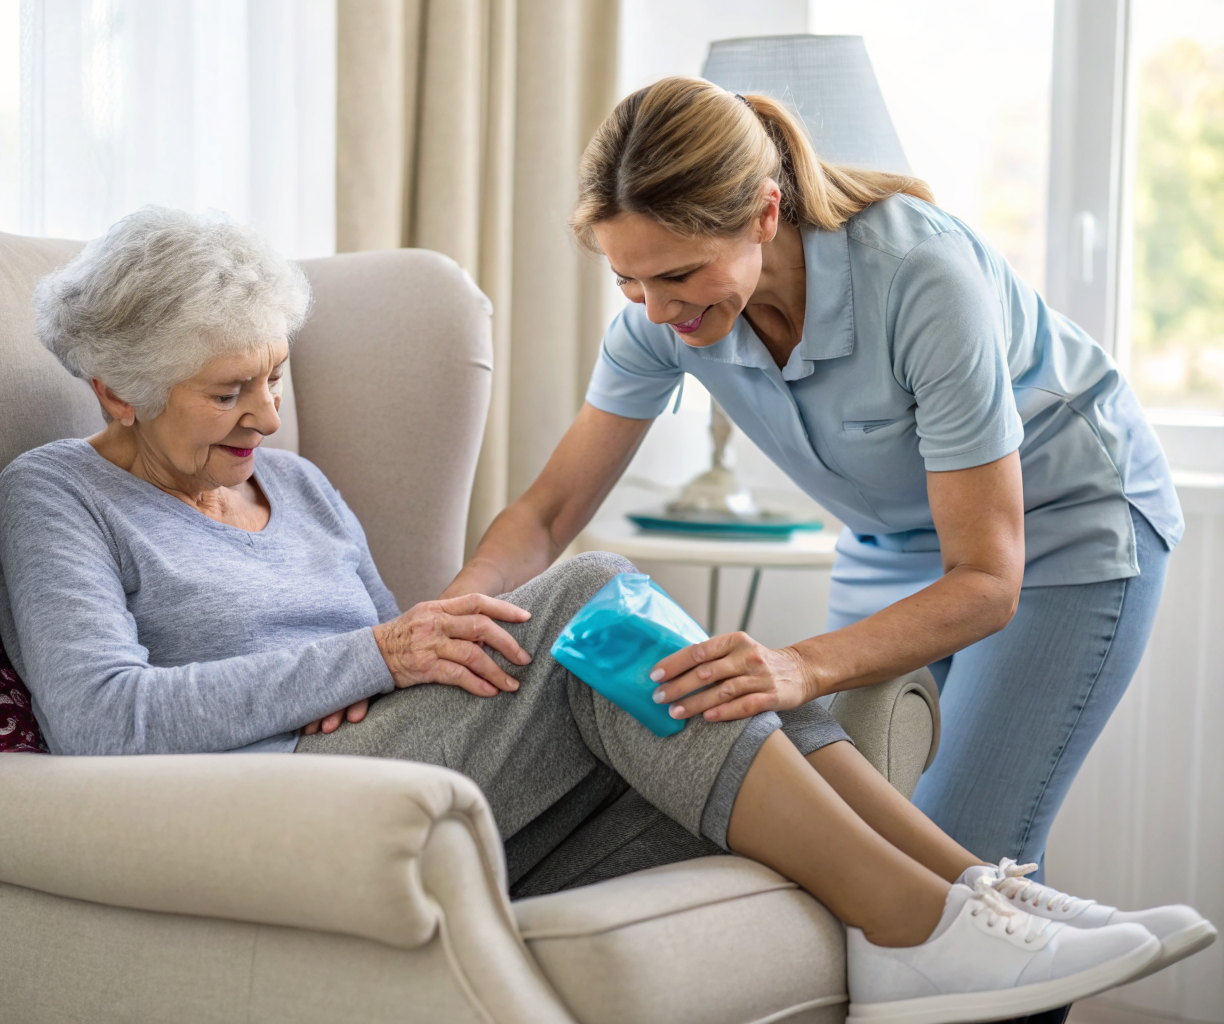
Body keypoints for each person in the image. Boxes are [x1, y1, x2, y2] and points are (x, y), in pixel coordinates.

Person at [0, 207, 1210, 1022]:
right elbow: (102, 721)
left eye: (275, 375)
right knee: (585, 593)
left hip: (412, 766)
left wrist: (395, 649)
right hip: (274, 795)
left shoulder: (292, 484)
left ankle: (982, 895)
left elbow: (388, 650)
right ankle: (918, 924)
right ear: (118, 388)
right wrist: (365, 653)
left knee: (708, 669)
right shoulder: (55, 495)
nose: (266, 415)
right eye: (226, 391)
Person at [445, 77, 1184, 892]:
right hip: (892, 542)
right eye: (629, 281)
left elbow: (984, 579)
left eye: (679, 275)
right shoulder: (663, 323)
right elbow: (548, 514)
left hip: (1057, 530)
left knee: (966, 852)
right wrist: (451, 612)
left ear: (764, 215)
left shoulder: (919, 277)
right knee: (844, 841)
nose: (657, 311)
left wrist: (800, 664)